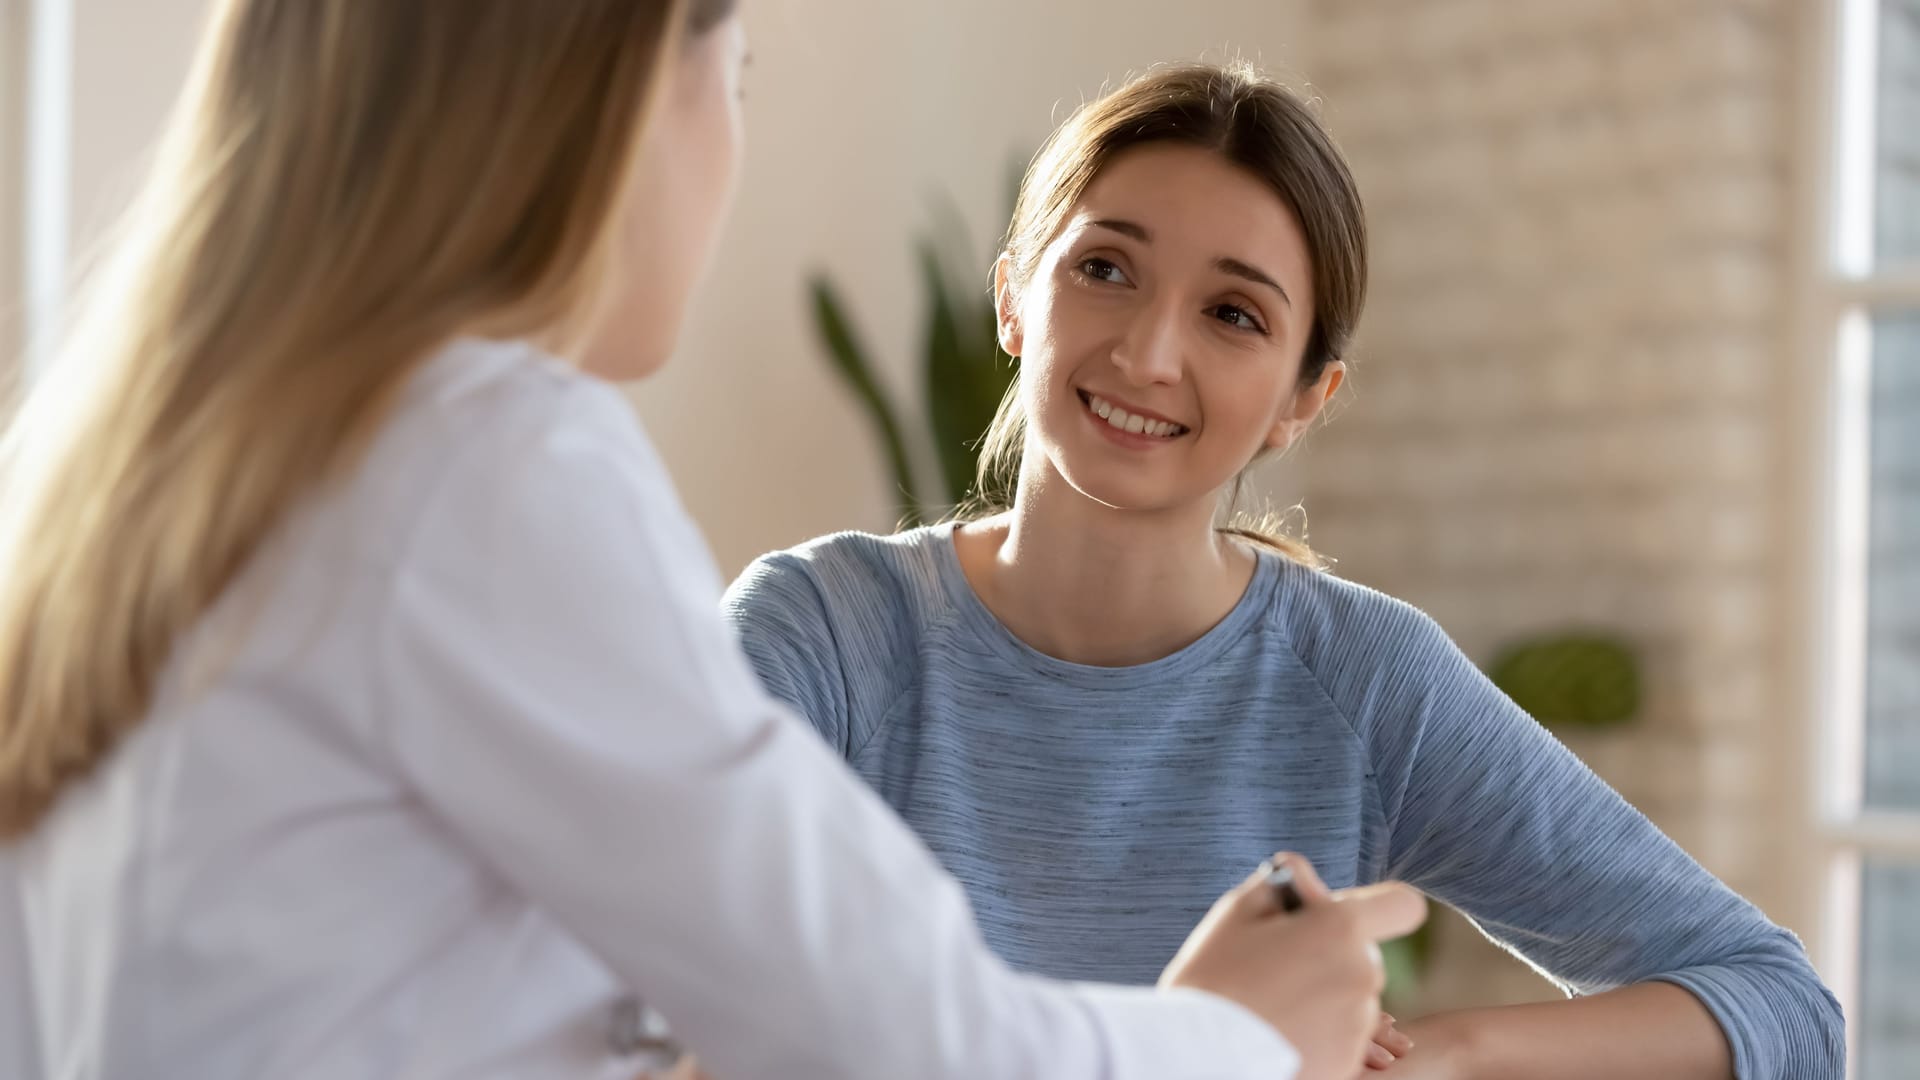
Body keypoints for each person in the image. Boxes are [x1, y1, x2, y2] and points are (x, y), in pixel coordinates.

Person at [0, 4, 1429, 1079]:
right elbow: (901, 1038)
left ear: (1308, 398)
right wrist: (1230, 1034)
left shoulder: (99, 466)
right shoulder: (489, 459)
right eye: (730, 77)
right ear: (613, 95)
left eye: (1235, 314)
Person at [723, 61, 1848, 1079]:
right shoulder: (818, 639)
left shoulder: (1358, 678)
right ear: (1016, 295)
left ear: (1305, 401)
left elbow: (1783, 1011)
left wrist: (1441, 1058)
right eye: (1106, 267)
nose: (1149, 354)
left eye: (1232, 313)